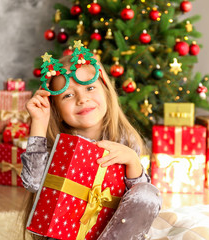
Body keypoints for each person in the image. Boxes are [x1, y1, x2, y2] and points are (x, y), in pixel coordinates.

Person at [21, 42, 162, 240]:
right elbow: (32, 183)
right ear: (57, 111)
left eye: (90, 88)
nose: (82, 99)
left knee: (149, 193)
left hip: (112, 232)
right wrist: (39, 122)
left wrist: (132, 161)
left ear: (105, 91)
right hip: (66, 232)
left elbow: (138, 200)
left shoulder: (124, 138)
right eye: (68, 95)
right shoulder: (58, 146)